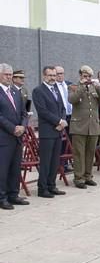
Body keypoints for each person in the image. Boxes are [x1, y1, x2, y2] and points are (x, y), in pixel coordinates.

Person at [68, 65, 100, 189]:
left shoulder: (94, 87)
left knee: (90, 152)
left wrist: (99, 87)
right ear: (80, 76)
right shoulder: (74, 87)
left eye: (89, 76)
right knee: (79, 153)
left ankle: (88, 176)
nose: (87, 78)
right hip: (79, 125)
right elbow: (72, 100)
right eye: (85, 76)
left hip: (93, 125)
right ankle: (79, 178)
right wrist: (81, 86)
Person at [32, 65, 68, 198]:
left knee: (55, 161)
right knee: (46, 161)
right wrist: (59, 121)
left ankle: (51, 185)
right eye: (50, 75)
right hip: (47, 131)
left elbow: (63, 107)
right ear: (44, 76)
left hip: (58, 131)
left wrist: (63, 121)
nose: (53, 78)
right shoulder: (38, 91)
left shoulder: (56, 89)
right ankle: (43, 188)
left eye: (54, 75)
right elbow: (42, 111)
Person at [0, 63, 28, 210]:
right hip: (4, 137)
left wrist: (23, 126)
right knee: (3, 169)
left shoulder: (16, 92)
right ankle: (2, 197)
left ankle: (13, 194)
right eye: (6, 74)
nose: (9, 77)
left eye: (10, 74)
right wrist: (13, 128)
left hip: (17, 137)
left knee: (15, 168)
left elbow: (24, 112)